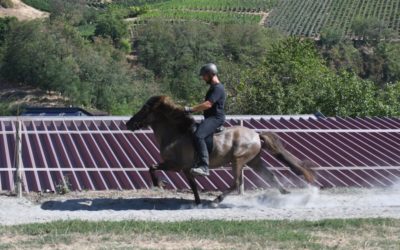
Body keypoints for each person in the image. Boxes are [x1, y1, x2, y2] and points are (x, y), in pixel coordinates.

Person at [184, 63, 226, 176]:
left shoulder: (218, 88)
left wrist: (191, 109)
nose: (203, 78)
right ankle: (196, 161)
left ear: (210, 74)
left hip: (216, 118)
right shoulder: (213, 88)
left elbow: (208, 104)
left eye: (204, 75)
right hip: (210, 118)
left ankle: (204, 167)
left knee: (199, 135)